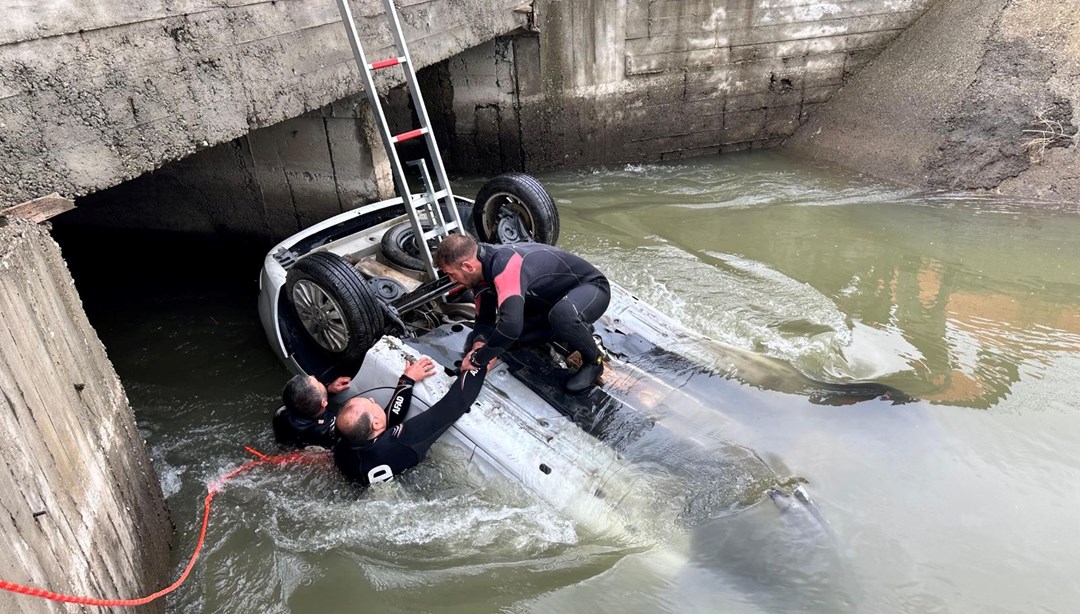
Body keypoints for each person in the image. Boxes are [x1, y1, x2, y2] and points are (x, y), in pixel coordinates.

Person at [434, 234, 609, 392]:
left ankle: (594, 362)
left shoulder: (505, 264)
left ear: (467, 266)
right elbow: (484, 322)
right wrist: (479, 345)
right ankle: (573, 329)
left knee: (560, 315)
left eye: (452, 274)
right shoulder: (479, 273)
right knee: (504, 340)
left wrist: (478, 360)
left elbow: (511, 326)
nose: (452, 281)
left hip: (591, 289)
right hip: (547, 303)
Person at [334, 365, 489, 486]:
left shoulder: (341, 449)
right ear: (375, 424)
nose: (373, 400)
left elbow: (387, 420)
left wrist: (406, 380)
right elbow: (452, 406)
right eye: (371, 403)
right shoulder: (397, 442)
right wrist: (479, 364)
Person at [273, 358, 437, 448]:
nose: (318, 378)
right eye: (319, 383)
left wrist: (328, 389)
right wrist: (407, 380)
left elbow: (305, 401)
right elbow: (385, 420)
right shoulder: (331, 429)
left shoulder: (281, 413)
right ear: (323, 404)